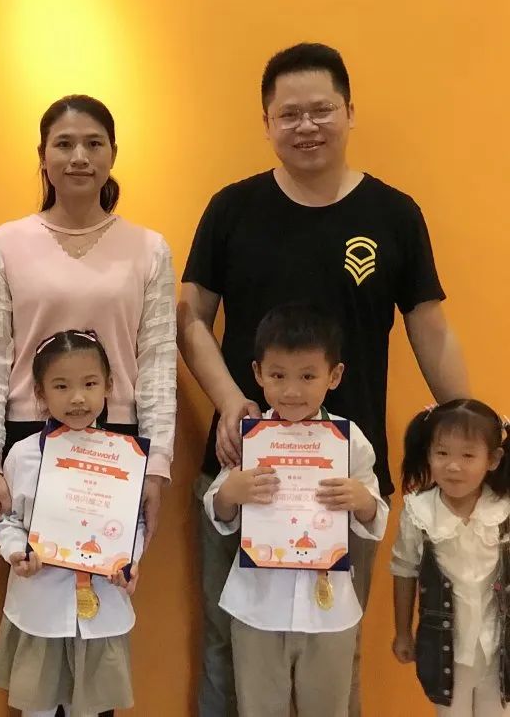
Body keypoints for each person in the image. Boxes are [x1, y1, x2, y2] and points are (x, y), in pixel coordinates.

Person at [177, 42, 469, 716]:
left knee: (338, 647)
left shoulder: (394, 214)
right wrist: (231, 401)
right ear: (267, 122)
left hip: (346, 481)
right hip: (242, 470)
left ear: (349, 112)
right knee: (227, 642)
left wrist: (475, 424)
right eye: (289, 114)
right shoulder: (232, 209)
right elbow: (189, 320)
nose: (305, 125)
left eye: (321, 110)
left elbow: (431, 329)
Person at [0, 94, 176, 547]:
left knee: (110, 572)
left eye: (94, 144)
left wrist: (157, 464)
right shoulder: (2, 244)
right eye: (64, 144)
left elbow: (158, 362)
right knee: (31, 570)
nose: (79, 157)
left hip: (118, 435)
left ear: (113, 154)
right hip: (28, 433)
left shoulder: (150, 249)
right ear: (42, 156)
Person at [204, 303, 387, 717]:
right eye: (278, 376)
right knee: (257, 708)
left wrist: (361, 501)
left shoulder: (350, 440)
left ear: (334, 376)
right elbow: (218, 510)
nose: (291, 391)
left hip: (330, 609)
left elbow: (373, 513)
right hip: (257, 607)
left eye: (307, 376)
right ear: (257, 374)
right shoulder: (249, 438)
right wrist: (231, 492)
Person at [0, 329, 143, 717]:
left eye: (89, 384)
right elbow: (7, 520)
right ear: (40, 393)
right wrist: (16, 552)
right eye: (61, 386)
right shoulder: (22, 455)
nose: (77, 398)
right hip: (41, 603)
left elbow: (135, 523)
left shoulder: (125, 457)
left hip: (103, 606)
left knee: (93, 709)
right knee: (38, 708)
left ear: (108, 386)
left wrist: (129, 562)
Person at [391, 400, 510, 716]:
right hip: (446, 648)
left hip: (499, 647)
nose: (453, 466)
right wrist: (402, 632)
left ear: (493, 459)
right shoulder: (419, 512)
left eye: (468, 456)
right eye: (442, 453)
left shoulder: (503, 510)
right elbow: (404, 570)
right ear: (428, 454)